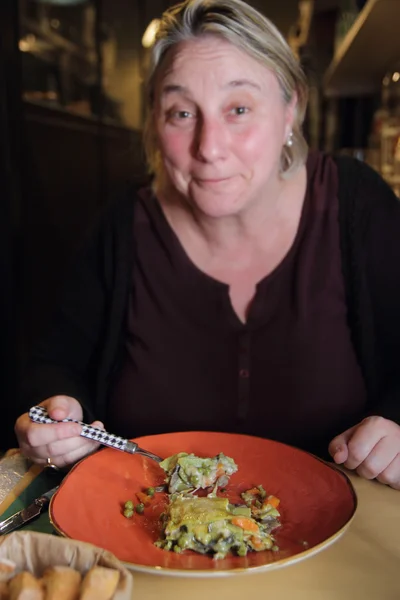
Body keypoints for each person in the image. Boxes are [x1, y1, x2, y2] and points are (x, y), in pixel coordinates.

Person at [14, 0, 400, 488]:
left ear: (291, 109)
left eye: (238, 109)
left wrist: (395, 423)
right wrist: (55, 413)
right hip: (150, 541)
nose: (209, 147)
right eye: (181, 112)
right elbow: (54, 366)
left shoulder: (356, 204)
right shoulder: (121, 227)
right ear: (155, 120)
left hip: (342, 544)